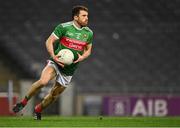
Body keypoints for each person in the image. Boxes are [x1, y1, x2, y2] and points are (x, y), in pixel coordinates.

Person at [12, 5, 93, 120]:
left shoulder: (89, 33)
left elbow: (88, 50)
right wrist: (54, 56)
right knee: (43, 81)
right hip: (56, 63)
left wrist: (82, 57)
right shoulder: (64, 27)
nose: (86, 18)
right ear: (75, 17)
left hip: (69, 70)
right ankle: (23, 102)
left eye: (87, 16)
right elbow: (49, 41)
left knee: (54, 95)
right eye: (83, 16)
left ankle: (38, 109)